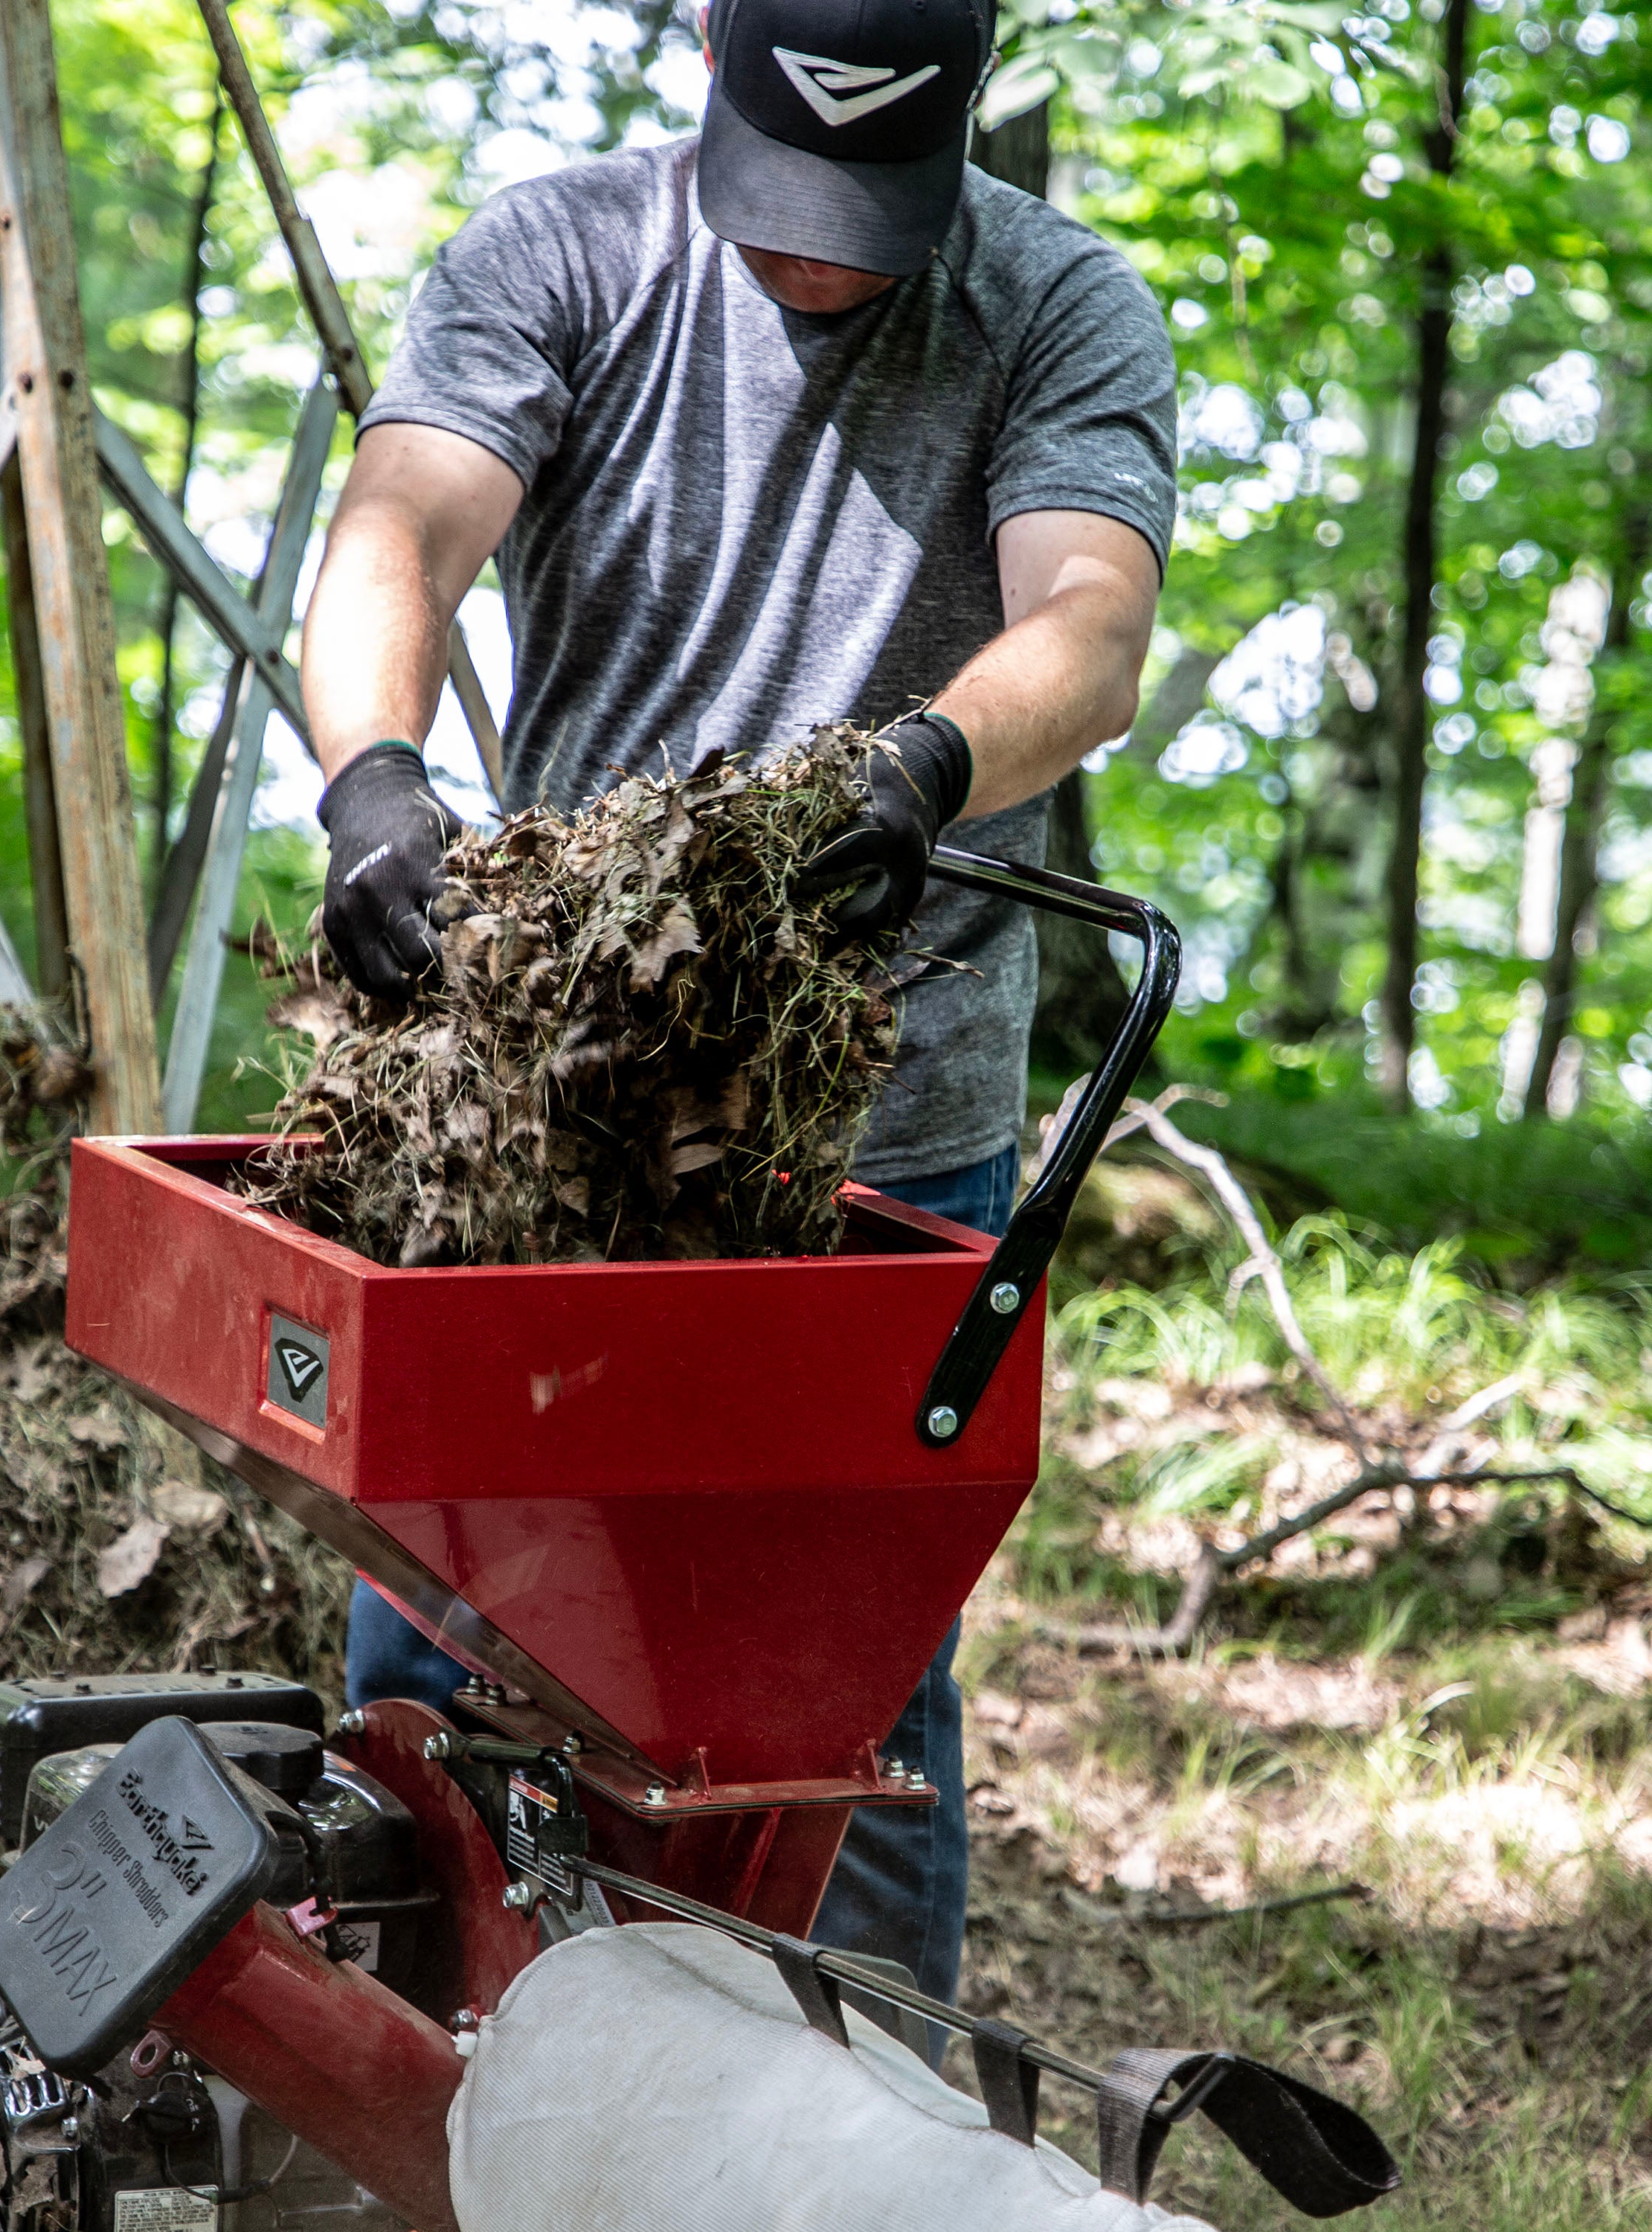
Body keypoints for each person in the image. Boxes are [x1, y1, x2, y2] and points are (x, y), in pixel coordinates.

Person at [296, 0, 1176, 2053]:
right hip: (572, 1121)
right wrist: (369, 776)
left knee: (833, 1709)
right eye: (787, 205)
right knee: (450, 1623)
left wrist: (925, 773)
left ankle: (850, 2129)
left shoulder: (1058, 302)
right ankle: (416, 2114)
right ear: (710, 60)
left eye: (868, 219)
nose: (819, 264)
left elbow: (1095, 624)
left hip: (896, 1121)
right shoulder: (563, 254)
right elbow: (405, 523)